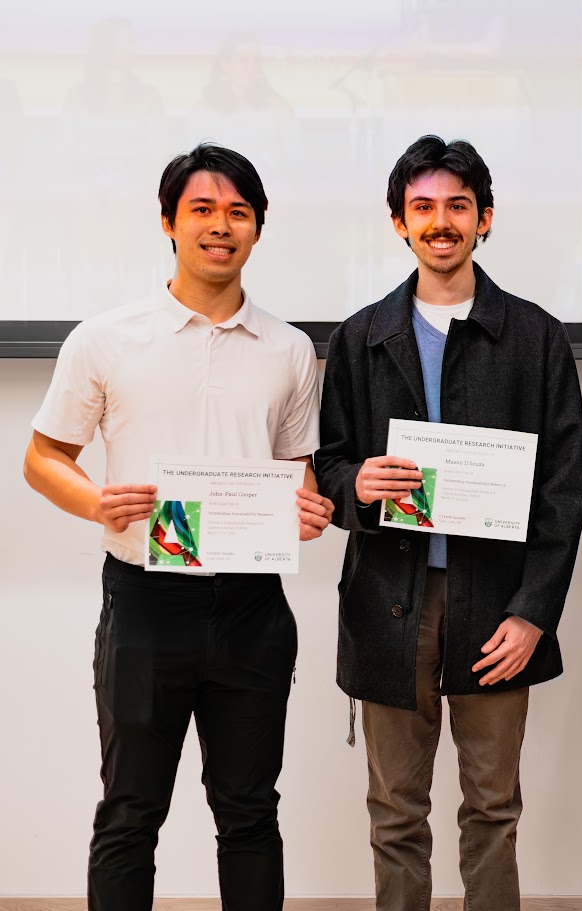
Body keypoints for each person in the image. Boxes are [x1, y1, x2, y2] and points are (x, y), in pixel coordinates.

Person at [22, 143, 333, 911]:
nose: (220, 226)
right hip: (144, 605)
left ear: (258, 227)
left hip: (254, 607)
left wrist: (310, 507)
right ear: (168, 222)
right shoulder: (105, 337)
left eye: (237, 212)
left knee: (251, 815)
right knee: (130, 813)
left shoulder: (291, 349)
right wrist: (95, 501)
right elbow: (41, 456)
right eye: (202, 209)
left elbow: (298, 468)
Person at [314, 135, 582, 911]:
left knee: (493, 808)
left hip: (498, 607)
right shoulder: (360, 337)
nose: (441, 222)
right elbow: (327, 467)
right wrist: (356, 482)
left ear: (485, 219)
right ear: (398, 222)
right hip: (385, 603)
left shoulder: (536, 337)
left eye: (457, 207)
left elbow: (563, 493)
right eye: (423, 207)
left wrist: (533, 612)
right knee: (395, 812)